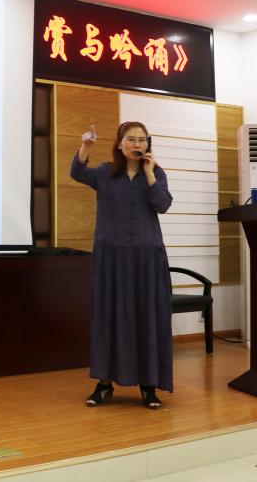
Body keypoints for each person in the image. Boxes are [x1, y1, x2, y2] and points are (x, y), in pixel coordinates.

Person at [70, 121, 174, 409]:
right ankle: (104, 384)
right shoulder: (105, 173)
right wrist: (85, 146)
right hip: (111, 259)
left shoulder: (156, 173)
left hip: (146, 259)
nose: (137, 144)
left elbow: (162, 205)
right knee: (109, 318)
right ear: (119, 143)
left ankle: (149, 386)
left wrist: (150, 174)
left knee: (146, 318)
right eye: (131, 139)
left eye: (142, 139)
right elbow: (77, 172)